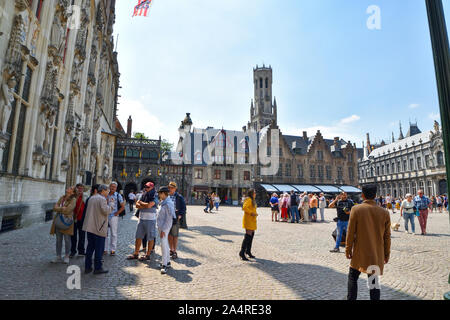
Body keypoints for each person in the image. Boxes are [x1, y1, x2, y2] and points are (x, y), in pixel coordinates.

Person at [345, 184, 391, 300]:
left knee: (352, 278)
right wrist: (386, 254)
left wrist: (348, 249)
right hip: (375, 254)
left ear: (362, 195)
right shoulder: (384, 212)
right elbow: (387, 237)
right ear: (375, 195)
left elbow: (350, 232)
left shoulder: (356, 209)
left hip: (360, 253)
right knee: (374, 282)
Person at [82, 184, 115, 274]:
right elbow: (106, 211)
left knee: (90, 248)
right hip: (99, 228)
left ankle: (87, 267)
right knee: (99, 249)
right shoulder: (102, 199)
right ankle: (98, 268)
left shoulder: (92, 198)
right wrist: (111, 204)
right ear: (103, 190)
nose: (108, 192)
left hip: (90, 227)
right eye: (107, 190)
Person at [127, 182, 157, 261]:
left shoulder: (155, 195)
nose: (146, 188)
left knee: (150, 237)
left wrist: (141, 203)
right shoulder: (143, 194)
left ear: (152, 187)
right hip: (141, 218)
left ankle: (147, 255)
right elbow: (136, 205)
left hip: (150, 219)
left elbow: (149, 205)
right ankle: (136, 253)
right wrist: (144, 204)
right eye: (145, 186)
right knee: (138, 236)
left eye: (148, 187)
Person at [50, 186, 77, 264]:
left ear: (73, 192)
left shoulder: (73, 199)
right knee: (58, 239)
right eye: (69, 187)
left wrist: (60, 208)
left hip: (67, 221)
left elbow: (68, 210)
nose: (68, 188)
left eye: (71, 188)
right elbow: (54, 207)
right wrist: (62, 208)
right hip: (59, 220)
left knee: (67, 239)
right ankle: (58, 256)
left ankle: (66, 256)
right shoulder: (62, 197)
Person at [156, 186, 175, 274]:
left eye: (160, 193)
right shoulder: (163, 202)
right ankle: (167, 261)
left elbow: (168, 218)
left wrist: (163, 229)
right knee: (165, 243)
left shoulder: (168, 203)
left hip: (165, 227)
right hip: (161, 226)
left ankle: (164, 265)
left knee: (163, 244)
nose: (159, 195)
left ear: (163, 193)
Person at [105, 182, 125, 256]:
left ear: (116, 188)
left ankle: (112, 249)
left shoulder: (118, 195)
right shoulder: (106, 194)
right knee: (105, 233)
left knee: (113, 233)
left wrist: (117, 213)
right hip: (105, 216)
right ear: (109, 187)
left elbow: (123, 206)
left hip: (113, 216)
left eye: (114, 187)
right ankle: (105, 249)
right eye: (112, 186)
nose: (113, 188)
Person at [168, 181, 186, 260]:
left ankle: (174, 251)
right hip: (167, 218)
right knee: (169, 235)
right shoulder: (166, 196)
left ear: (175, 188)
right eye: (169, 187)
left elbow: (183, 208)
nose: (170, 189)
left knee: (175, 235)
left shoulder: (179, 197)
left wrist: (180, 215)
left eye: (172, 188)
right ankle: (171, 249)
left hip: (175, 218)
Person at [239, 189, 258, 261]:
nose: (255, 194)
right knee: (248, 236)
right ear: (252, 193)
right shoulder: (249, 199)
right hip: (248, 219)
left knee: (251, 235)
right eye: (254, 193)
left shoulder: (252, 200)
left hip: (252, 220)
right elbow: (244, 207)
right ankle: (242, 252)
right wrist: (251, 213)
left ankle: (248, 251)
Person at [69, 183, 86, 258]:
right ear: (76, 189)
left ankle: (81, 251)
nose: (80, 190)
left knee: (82, 236)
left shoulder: (85, 197)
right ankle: (73, 251)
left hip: (82, 219)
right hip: (74, 218)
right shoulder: (73, 197)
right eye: (79, 188)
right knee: (73, 236)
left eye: (82, 188)